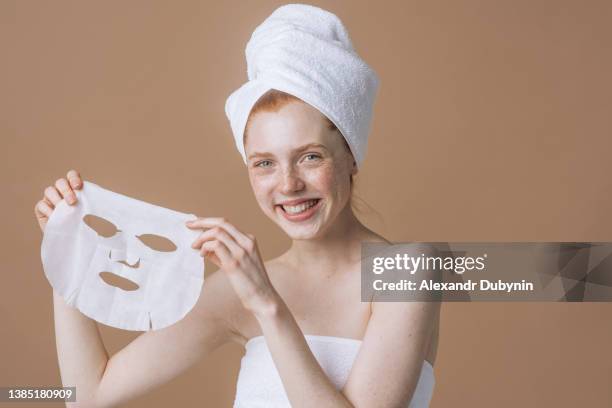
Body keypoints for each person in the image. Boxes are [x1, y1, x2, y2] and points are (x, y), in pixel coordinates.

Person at [34, 5, 440, 408]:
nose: (288, 185)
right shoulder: (237, 290)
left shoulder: (408, 271)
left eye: (311, 156)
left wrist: (267, 305)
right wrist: (67, 251)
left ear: (351, 156)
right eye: (264, 163)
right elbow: (88, 395)